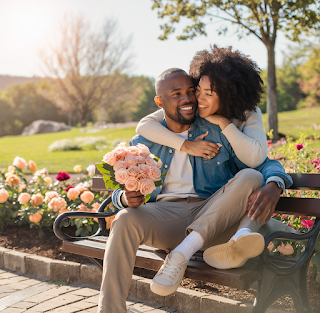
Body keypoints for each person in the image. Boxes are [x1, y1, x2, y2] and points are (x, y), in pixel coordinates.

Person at [97, 68, 292, 313]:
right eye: (176, 94)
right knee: (124, 219)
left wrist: (276, 184)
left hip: (213, 210)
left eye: (191, 91)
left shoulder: (216, 130)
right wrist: (124, 197)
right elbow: (114, 188)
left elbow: (263, 164)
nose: (187, 99)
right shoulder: (144, 142)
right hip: (167, 216)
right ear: (160, 102)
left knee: (251, 176)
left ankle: (181, 254)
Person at [136, 45, 268, 168]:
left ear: (228, 95)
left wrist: (223, 123)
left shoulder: (249, 113)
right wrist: (186, 146)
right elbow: (145, 126)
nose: (199, 99)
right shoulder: (195, 108)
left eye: (208, 93)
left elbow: (255, 159)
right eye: (197, 90)